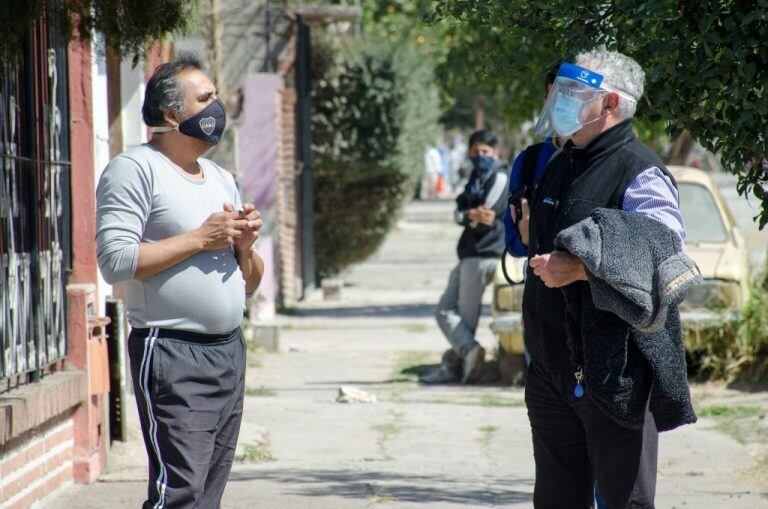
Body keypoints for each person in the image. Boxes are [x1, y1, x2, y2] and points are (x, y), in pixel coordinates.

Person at [520, 50, 689, 508]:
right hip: (551, 370)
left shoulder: (640, 170)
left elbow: (663, 251)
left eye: (575, 93)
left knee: (625, 502)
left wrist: (579, 268)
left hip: (615, 374)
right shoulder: (563, 160)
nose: (561, 101)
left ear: (610, 103)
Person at [96, 53, 264, 509]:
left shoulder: (220, 177)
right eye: (205, 98)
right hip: (171, 351)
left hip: (228, 350)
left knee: (208, 492)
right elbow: (115, 261)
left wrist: (244, 249)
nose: (217, 107)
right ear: (172, 114)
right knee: (180, 492)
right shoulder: (134, 169)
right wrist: (198, 238)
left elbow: (249, 281)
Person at [421, 130, 509, 384]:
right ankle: (468, 353)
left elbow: (487, 218)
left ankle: (458, 367)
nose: (481, 156)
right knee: (444, 309)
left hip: (485, 254)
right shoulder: (476, 178)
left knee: (465, 318)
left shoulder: (499, 176)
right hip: (469, 253)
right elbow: (460, 213)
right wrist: (470, 215)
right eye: (477, 151)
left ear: (496, 153)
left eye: (486, 152)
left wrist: (469, 216)